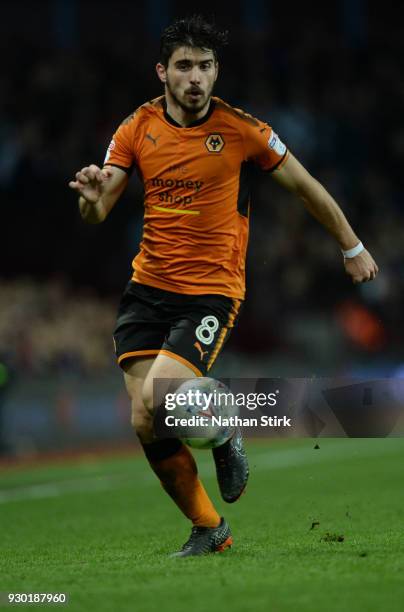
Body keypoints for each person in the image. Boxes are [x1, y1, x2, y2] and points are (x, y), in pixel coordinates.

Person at [68, 15, 378, 557]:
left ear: (217, 72)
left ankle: (227, 424)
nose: (195, 77)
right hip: (146, 290)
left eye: (205, 66)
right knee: (145, 420)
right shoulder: (136, 128)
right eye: (184, 66)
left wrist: (351, 246)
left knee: (162, 397)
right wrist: (91, 197)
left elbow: (306, 186)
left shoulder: (242, 130)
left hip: (209, 293)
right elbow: (97, 210)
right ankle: (211, 529)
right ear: (162, 71)